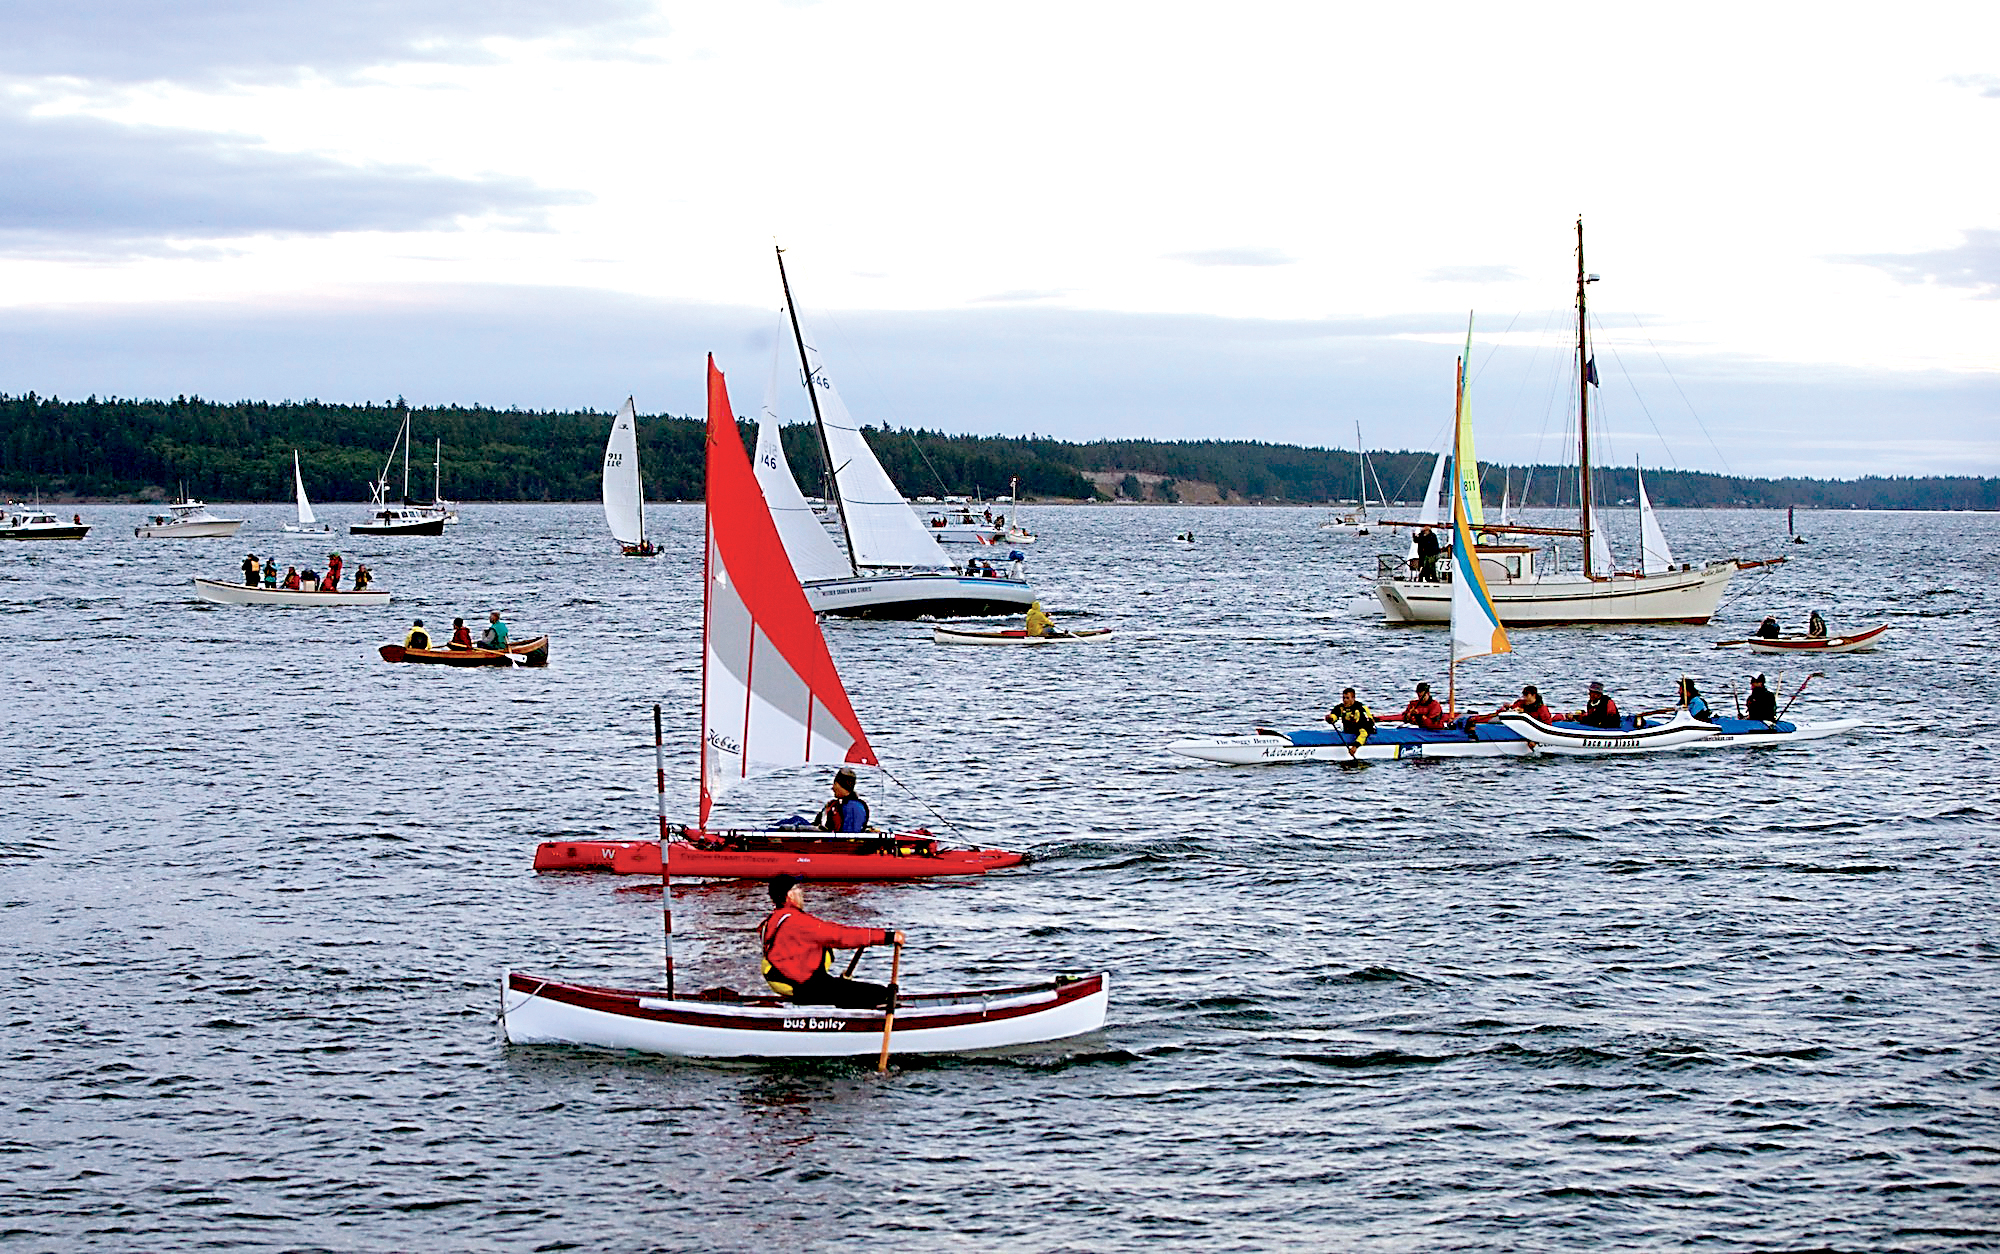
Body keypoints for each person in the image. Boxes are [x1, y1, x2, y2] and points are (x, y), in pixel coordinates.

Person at [759, 874, 905, 1009]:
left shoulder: (772, 920)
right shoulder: (795, 921)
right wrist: (888, 937)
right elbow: (839, 936)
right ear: (790, 895)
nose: (802, 893)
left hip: (800, 982)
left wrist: (865, 939)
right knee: (880, 993)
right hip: (805, 986)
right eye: (798, 889)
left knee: (846, 988)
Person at [813, 767, 870, 833]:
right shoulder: (833, 805)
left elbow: (849, 835)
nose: (832, 788)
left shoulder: (854, 807)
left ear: (841, 785)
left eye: (835, 784)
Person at [1325, 687, 1375, 756]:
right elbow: (1335, 715)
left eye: (1347, 698)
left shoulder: (1360, 709)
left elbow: (1365, 730)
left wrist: (1355, 747)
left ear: (1353, 698)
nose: (1345, 700)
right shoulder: (1340, 708)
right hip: (1349, 731)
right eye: (1344, 698)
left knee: (1363, 731)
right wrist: (1330, 718)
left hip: (1362, 730)